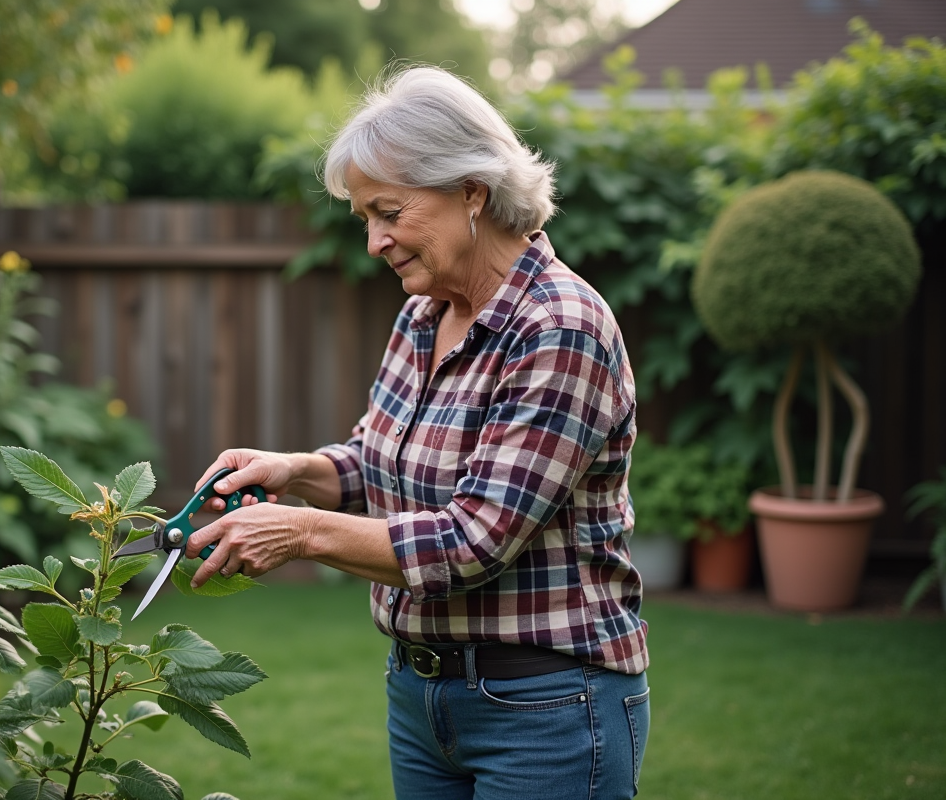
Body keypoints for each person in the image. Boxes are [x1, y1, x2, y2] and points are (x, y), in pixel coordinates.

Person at [185, 66, 650, 800]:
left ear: (471, 191)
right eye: (365, 218)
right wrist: (294, 470)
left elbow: (475, 541)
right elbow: (378, 461)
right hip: (422, 696)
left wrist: (302, 533)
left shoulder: (559, 328)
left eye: (390, 212)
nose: (375, 242)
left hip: (546, 709)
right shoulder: (424, 314)